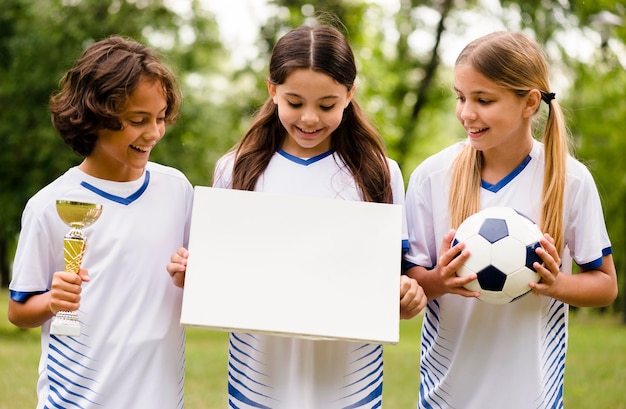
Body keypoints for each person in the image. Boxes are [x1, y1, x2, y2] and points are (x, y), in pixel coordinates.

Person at [167, 24, 427, 408]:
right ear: (272, 90)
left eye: (326, 105)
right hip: (258, 378)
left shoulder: (378, 172)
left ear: (349, 95)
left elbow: (391, 282)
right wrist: (190, 275)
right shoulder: (236, 169)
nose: (309, 119)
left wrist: (406, 296)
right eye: (294, 102)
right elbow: (220, 277)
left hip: (350, 380)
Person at [403, 31, 618, 409]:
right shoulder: (432, 177)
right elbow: (411, 281)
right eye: (461, 97)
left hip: (532, 395)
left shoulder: (570, 179)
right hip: (446, 395)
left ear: (529, 102)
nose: (467, 112)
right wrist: (440, 280)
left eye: (483, 100)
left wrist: (557, 283)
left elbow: (605, 286)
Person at [8, 36, 193, 408]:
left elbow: (197, 282)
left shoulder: (177, 189)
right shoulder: (48, 206)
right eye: (137, 120)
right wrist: (51, 302)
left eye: (160, 118)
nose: (154, 133)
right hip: (77, 400)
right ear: (94, 117)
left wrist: (194, 277)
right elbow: (19, 311)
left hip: (159, 398)